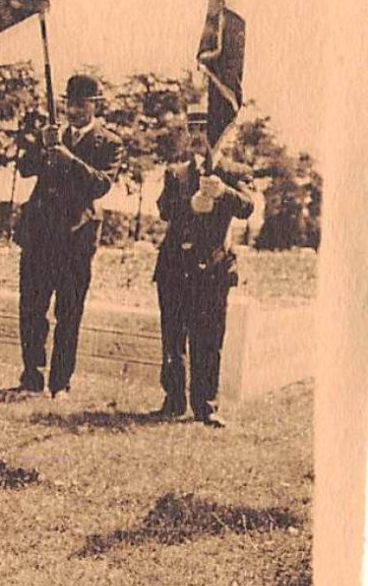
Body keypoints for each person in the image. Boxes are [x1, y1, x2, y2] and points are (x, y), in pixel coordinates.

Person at [14, 73, 125, 399]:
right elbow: (25, 169)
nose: (73, 111)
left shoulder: (109, 143)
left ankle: (60, 383)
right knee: (31, 308)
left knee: (69, 311)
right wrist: (40, 145)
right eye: (69, 104)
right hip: (39, 235)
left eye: (80, 105)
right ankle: (32, 374)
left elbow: (101, 184)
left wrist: (66, 156)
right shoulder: (52, 134)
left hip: (75, 239)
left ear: (95, 105)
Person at [152, 124, 255, 427]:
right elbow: (164, 209)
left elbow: (247, 207)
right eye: (192, 127)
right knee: (173, 338)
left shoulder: (234, 171)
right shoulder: (176, 173)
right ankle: (172, 401)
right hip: (174, 266)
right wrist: (189, 205)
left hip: (213, 268)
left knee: (209, 338)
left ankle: (206, 405)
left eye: (206, 127)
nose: (198, 134)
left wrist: (223, 192)